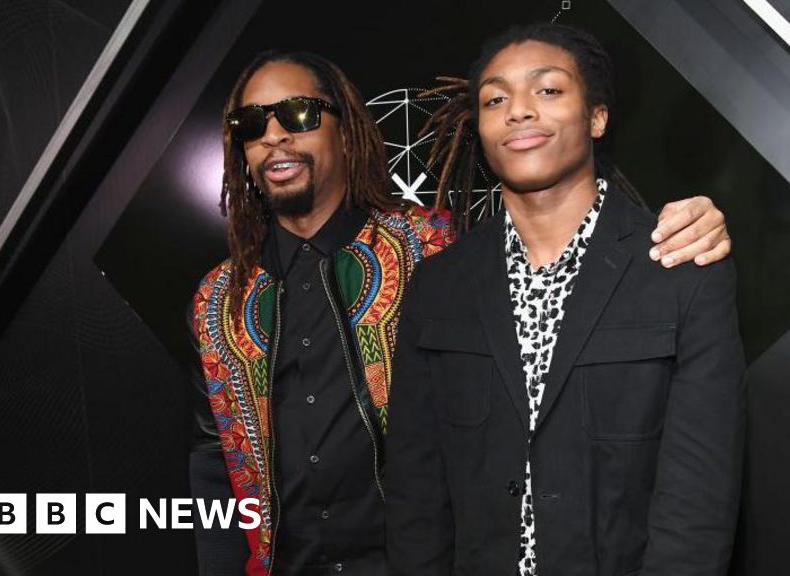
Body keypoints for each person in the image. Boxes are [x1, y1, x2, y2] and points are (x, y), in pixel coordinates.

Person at [188, 49, 733, 575]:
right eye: (251, 124)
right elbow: (214, 462)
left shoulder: (434, 248)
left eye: (297, 113)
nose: (274, 135)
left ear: (345, 130)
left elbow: (564, 234)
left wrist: (693, 221)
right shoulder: (216, 302)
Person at [385, 23, 746, 576]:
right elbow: (416, 493)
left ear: (596, 117)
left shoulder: (680, 269)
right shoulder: (438, 286)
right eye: (495, 99)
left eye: (548, 90)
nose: (519, 111)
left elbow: (698, 503)